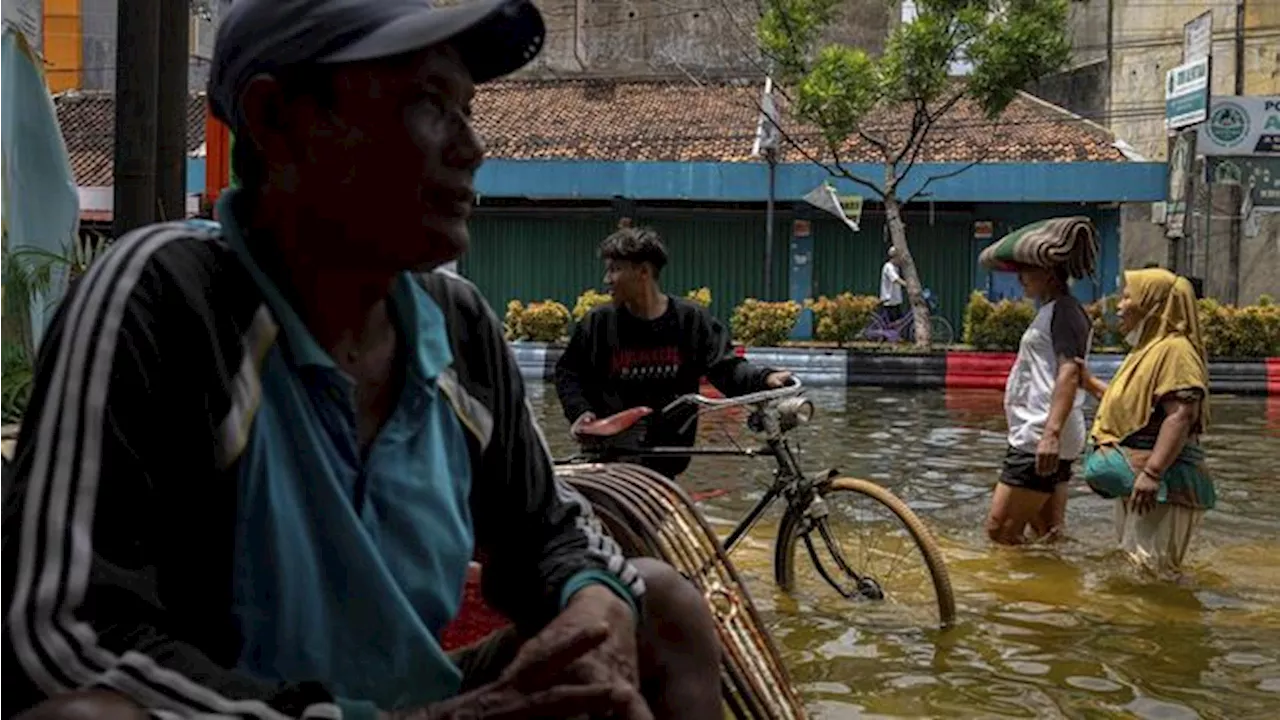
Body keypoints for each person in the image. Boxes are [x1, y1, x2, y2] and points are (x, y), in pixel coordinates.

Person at [1, 1, 722, 719]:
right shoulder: (165, 297)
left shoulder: (457, 322)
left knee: (658, 604)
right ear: (278, 119)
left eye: (467, 108)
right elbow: (68, 629)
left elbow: (548, 531)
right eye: (430, 104)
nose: (471, 146)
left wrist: (593, 606)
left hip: (420, 701)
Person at [555, 226, 791, 479]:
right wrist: (580, 413)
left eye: (615, 269)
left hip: (668, 457)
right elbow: (568, 373)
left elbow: (726, 369)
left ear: (643, 271)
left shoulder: (691, 320)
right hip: (611, 459)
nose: (607, 280)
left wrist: (765, 378)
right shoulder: (598, 323)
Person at [1076, 269, 1214, 578]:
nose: (1120, 306)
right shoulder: (1148, 350)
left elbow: (1181, 414)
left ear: (1153, 304)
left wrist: (1153, 473)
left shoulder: (1175, 350)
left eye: (1128, 297)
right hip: (1141, 480)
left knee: (1151, 576)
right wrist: (1090, 384)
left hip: (1163, 484)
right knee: (1134, 569)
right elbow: (1134, 411)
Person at [985, 264, 1091, 544]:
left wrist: (1050, 434)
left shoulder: (1065, 311)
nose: (1020, 280)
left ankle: (1009, 588)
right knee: (1048, 534)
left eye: (1027, 272)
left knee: (1001, 530)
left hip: (1040, 433)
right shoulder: (1056, 310)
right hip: (1043, 430)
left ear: (1049, 275)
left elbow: (1070, 372)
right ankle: (1055, 584)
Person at [879, 247, 907, 321]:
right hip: (889, 300)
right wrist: (906, 284)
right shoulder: (888, 267)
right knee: (891, 322)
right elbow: (895, 279)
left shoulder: (896, 267)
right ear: (894, 257)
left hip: (896, 300)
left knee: (900, 321)